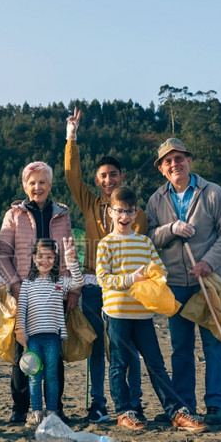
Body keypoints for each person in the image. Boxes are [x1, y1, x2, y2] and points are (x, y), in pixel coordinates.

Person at [96, 186, 208, 432]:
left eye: (129, 211)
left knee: (156, 363)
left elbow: (160, 270)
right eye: (119, 211)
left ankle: (176, 412)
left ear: (136, 213)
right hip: (117, 314)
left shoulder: (145, 242)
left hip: (143, 314)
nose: (124, 216)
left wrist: (157, 277)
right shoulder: (106, 244)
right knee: (119, 364)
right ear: (110, 212)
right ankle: (125, 412)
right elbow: (103, 278)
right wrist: (130, 279)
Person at [146, 138, 221, 425]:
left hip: (211, 281)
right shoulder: (156, 200)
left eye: (179, 158)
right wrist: (170, 229)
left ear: (189, 161)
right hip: (174, 284)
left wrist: (207, 263)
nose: (174, 164)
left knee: (214, 344)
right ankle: (184, 405)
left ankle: (216, 407)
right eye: (168, 161)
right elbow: (150, 238)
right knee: (181, 348)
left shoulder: (212, 193)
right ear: (161, 169)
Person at [64, 107, 146, 424]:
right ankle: (98, 404)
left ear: (121, 177)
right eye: (103, 176)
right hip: (93, 286)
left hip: (124, 287)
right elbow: (72, 175)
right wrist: (71, 136)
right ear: (97, 181)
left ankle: (130, 404)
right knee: (95, 345)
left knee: (125, 347)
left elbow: (142, 245)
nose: (108, 179)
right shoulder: (90, 201)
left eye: (113, 174)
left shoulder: (134, 211)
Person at [0, 161, 79, 423]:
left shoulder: (62, 215)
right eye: (32, 183)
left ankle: (55, 407)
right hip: (25, 291)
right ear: (24, 186)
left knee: (55, 355)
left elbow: (68, 256)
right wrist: (16, 285)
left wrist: (73, 293)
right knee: (23, 353)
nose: (37, 187)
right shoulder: (14, 215)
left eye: (42, 182)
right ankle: (21, 408)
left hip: (56, 293)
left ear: (50, 185)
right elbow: (2, 254)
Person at [15, 237, 84, 426]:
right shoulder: (27, 284)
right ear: (33, 257)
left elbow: (79, 281)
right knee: (35, 374)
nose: (45, 261)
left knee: (52, 374)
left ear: (56, 260)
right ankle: (36, 411)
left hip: (53, 337)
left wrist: (71, 260)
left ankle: (52, 411)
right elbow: (21, 309)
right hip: (33, 338)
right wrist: (20, 329)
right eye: (40, 256)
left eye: (50, 257)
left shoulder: (60, 282)